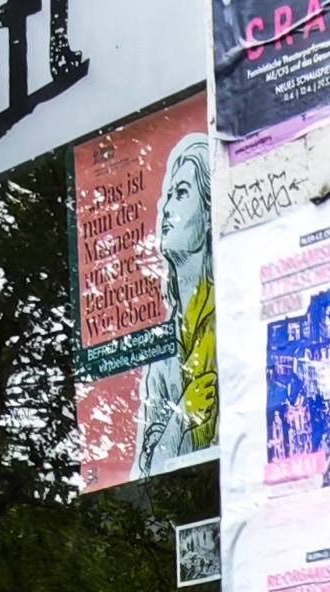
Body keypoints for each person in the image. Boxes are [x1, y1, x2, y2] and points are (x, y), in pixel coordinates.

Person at [133, 135, 216, 475]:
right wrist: (183, 414)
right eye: (168, 195)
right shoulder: (164, 349)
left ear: (208, 213)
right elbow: (149, 468)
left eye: (181, 193)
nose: (166, 209)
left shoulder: (227, 317)